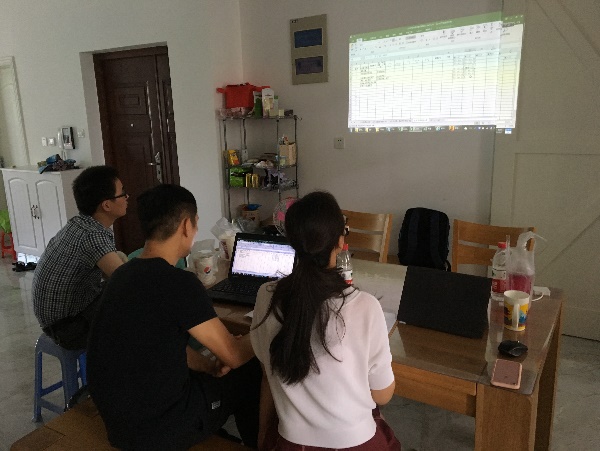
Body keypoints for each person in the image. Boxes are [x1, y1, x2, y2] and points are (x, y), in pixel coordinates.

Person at [87, 184, 261, 450]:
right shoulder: (180, 283)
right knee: (250, 368)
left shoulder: (122, 275)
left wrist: (209, 366)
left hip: (118, 424)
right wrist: (267, 324)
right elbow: (235, 356)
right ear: (186, 226)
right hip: (159, 432)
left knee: (215, 368)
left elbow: (160, 344)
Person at [250, 191, 401, 450]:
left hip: (292, 444)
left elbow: (267, 374)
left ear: (291, 240)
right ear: (341, 241)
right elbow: (383, 395)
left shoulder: (267, 297)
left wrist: (264, 436)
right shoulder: (365, 306)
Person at [32, 165, 128, 350]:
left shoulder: (79, 224)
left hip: (56, 321)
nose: (126, 197)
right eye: (122, 193)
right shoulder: (93, 236)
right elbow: (127, 281)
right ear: (106, 205)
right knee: (137, 304)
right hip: (68, 329)